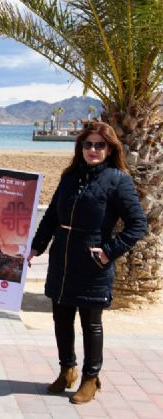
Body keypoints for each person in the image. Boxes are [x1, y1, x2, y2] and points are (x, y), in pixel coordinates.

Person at [28, 122, 146, 403]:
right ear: (80, 147)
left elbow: (137, 224)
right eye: (88, 144)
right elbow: (52, 216)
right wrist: (35, 247)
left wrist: (108, 251)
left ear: (110, 149)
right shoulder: (69, 177)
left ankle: (91, 378)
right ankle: (67, 369)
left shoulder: (118, 180)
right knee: (61, 319)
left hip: (93, 263)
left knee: (91, 324)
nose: (93, 150)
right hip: (62, 260)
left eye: (99, 145)